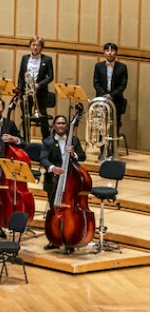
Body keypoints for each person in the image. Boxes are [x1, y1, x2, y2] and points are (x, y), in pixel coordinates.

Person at [40, 114, 87, 247]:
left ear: (67, 126)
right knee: (54, 211)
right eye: (58, 123)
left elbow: (83, 156)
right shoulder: (47, 141)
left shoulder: (74, 140)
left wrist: (74, 154)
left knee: (70, 212)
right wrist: (52, 168)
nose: (61, 126)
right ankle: (54, 239)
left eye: (63, 123)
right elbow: (43, 159)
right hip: (53, 181)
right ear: (54, 126)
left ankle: (70, 238)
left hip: (71, 181)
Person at [17, 36, 56, 140]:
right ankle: (26, 140)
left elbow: (50, 77)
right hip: (26, 92)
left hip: (40, 93)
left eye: (37, 45)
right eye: (33, 45)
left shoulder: (47, 60)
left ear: (41, 47)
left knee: (43, 118)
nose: (35, 47)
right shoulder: (25, 58)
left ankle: (47, 141)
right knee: (26, 118)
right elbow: (21, 75)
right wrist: (19, 89)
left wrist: (38, 85)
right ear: (30, 46)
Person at [93, 42, 128, 137]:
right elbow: (96, 83)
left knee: (114, 126)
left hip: (116, 100)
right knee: (101, 125)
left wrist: (111, 95)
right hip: (101, 99)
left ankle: (113, 150)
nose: (110, 52)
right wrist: (104, 95)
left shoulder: (122, 67)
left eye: (112, 50)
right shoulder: (98, 66)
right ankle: (101, 149)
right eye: (107, 50)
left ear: (116, 53)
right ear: (104, 53)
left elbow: (123, 85)